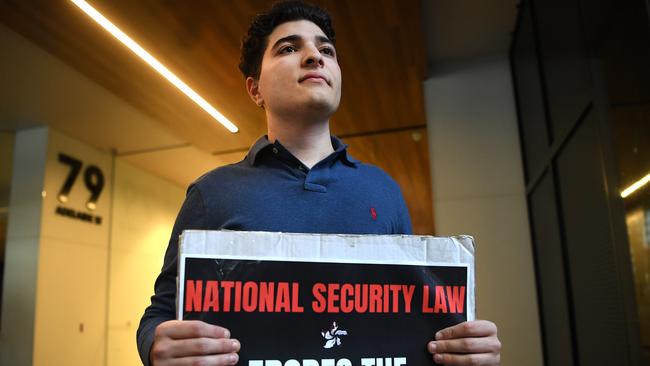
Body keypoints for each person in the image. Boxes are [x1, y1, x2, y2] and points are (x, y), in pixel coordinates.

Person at [137, 1, 501, 365]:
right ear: (255, 89)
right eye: (289, 48)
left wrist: (463, 347)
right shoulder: (212, 192)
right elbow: (163, 311)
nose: (315, 56)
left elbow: (410, 317)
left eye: (326, 49)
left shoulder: (384, 191)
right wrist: (156, 346)